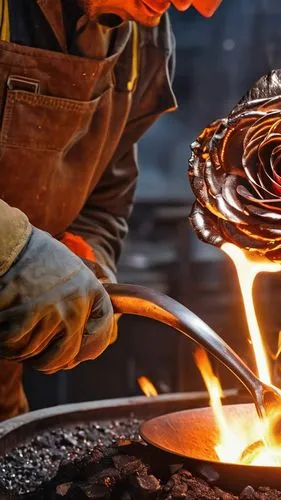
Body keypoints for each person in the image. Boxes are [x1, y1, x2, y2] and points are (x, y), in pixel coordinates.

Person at [0, 0, 222, 421]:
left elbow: (105, 196)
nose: (204, 8)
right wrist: (11, 253)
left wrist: (84, 260)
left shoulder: (140, 35)